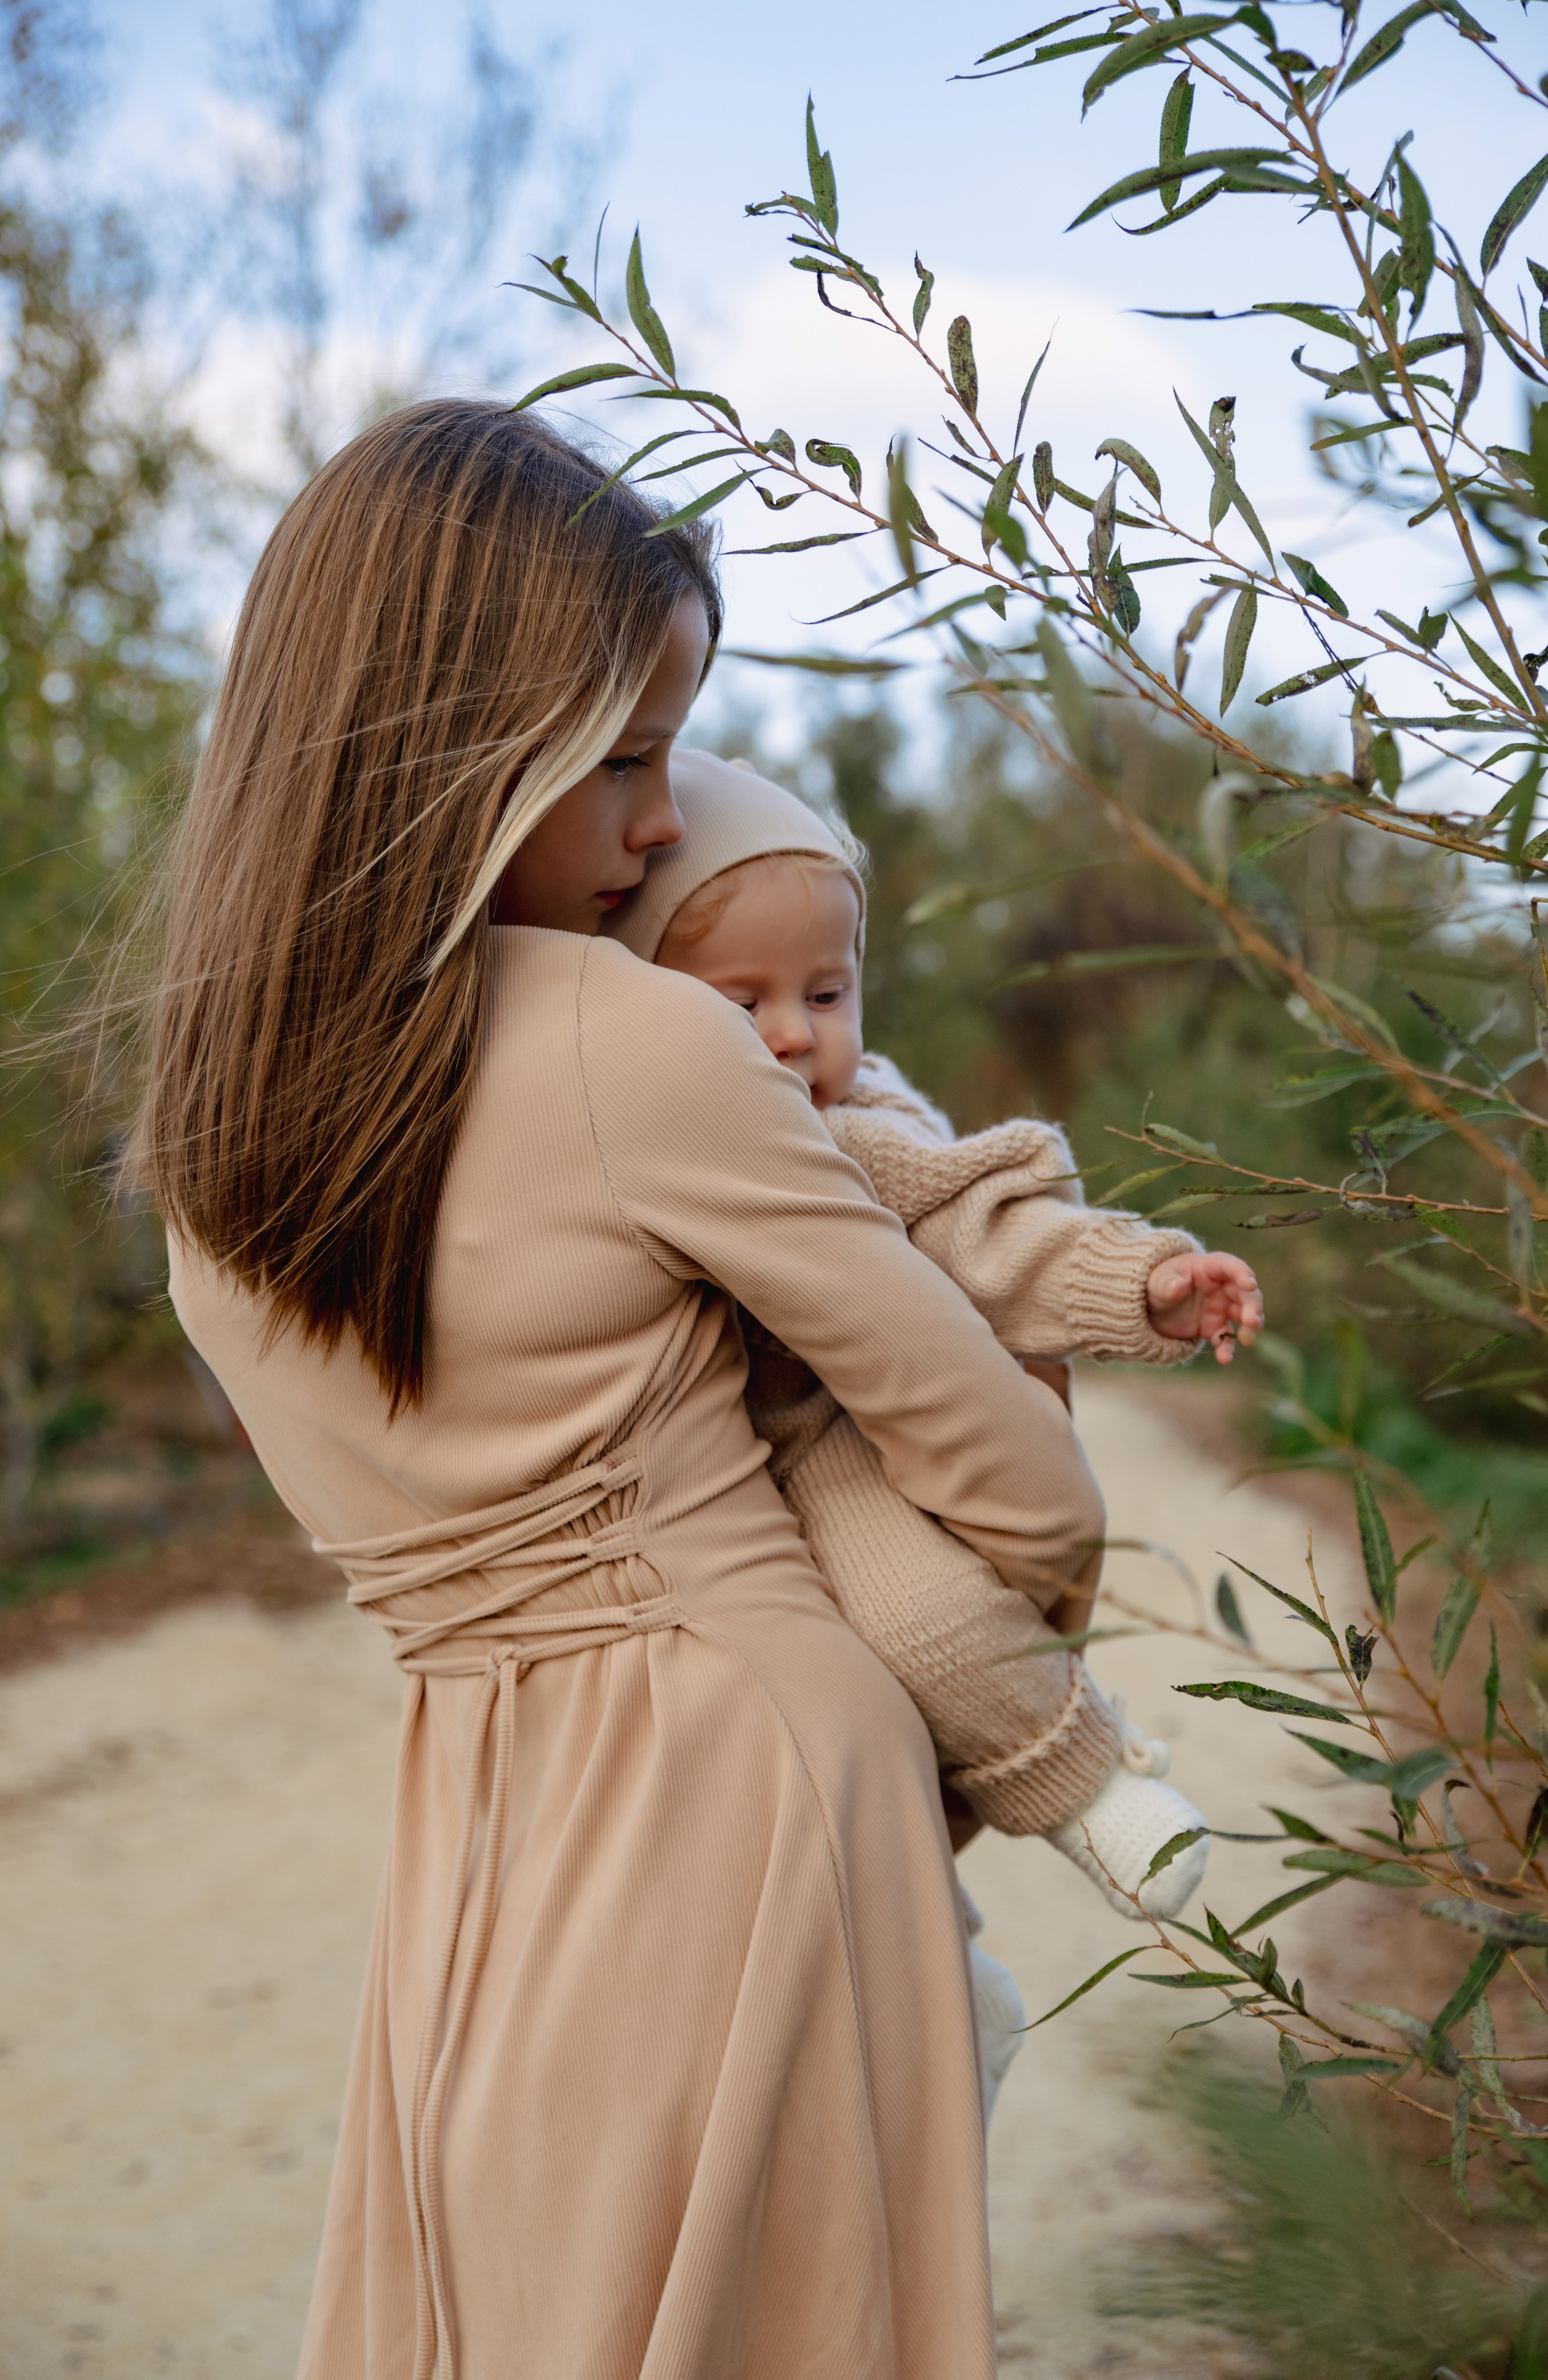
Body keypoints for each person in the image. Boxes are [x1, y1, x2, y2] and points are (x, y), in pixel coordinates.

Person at [129, 397, 1115, 2380]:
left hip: (481, 1824)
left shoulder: (205, 1142)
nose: (668, 824)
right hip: (757, 1786)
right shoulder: (635, 1042)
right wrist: (958, 1671)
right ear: (465, 746)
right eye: (634, 755)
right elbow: (1027, 1487)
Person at [605, 754, 1264, 1935]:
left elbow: (993, 1232)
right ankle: (953, 1973)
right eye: (736, 1000)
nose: (790, 1036)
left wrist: (1147, 1280)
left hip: (831, 1443)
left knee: (922, 1620)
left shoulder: (859, 1138)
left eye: (824, 995)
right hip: (675, 1482)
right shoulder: (629, 1135)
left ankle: (1089, 1783)